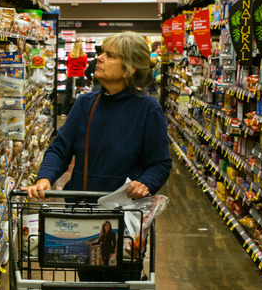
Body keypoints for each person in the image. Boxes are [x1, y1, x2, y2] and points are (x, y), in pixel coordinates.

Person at [27, 31, 172, 200]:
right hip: (82, 208)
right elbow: (60, 149)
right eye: (101, 53)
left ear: (129, 69)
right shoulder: (85, 104)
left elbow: (160, 163)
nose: (99, 58)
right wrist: (45, 177)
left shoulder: (148, 109)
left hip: (124, 211)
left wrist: (146, 183)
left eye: (110, 55)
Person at [62, 40, 88, 116]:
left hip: (70, 75)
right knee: (80, 94)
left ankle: (64, 112)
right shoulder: (84, 56)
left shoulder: (70, 55)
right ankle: (80, 112)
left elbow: (67, 64)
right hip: (80, 75)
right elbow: (84, 65)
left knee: (67, 94)